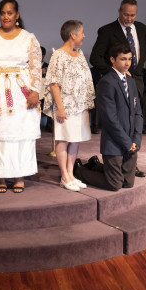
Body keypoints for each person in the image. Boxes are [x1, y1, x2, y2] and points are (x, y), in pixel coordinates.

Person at [0, 0, 42, 193]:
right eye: (3, 13)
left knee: (20, 133)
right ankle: (0, 176)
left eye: (10, 13)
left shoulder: (28, 38)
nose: (6, 16)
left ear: (17, 15)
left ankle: (20, 176)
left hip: (22, 93)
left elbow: (36, 66)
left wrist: (35, 91)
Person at [90, 0, 146, 177]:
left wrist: (134, 74)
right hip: (116, 82)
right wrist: (116, 73)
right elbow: (95, 58)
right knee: (119, 120)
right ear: (119, 11)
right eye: (126, 14)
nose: (129, 18)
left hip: (136, 80)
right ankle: (116, 163)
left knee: (134, 119)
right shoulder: (107, 31)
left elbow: (141, 54)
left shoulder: (143, 29)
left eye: (133, 15)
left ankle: (131, 164)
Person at [75, 43, 143, 191]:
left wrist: (136, 140)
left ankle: (95, 165)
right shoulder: (106, 82)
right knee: (115, 184)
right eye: (123, 59)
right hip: (114, 143)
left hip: (131, 142)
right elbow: (110, 119)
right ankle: (79, 171)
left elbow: (138, 112)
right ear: (113, 60)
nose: (127, 63)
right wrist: (126, 142)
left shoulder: (131, 82)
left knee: (128, 183)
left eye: (129, 59)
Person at [43, 20, 95, 192]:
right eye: (82, 32)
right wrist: (60, 108)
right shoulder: (58, 55)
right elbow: (54, 83)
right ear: (73, 35)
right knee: (64, 139)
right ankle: (64, 176)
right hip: (65, 106)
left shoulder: (79, 53)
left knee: (75, 139)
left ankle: (71, 174)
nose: (84, 36)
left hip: (79, 105)